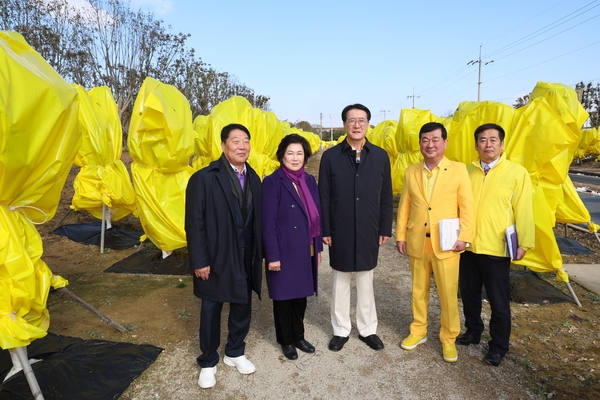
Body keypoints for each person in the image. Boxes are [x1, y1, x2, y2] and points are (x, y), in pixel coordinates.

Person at [185, 123, 262, 389]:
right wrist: (199, 260)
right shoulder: (204, 178)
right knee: (211, 308)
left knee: (242, 305)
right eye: (235, 141)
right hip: (216, 256)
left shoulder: (253, 177)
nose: (242, 146)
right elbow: (194, 223)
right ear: (223, 145)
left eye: (246, 141)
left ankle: (235, 352)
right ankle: (208, 361)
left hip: (245, 254)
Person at [396, 121, 474, 363]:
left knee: (448, 294)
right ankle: (418, 331)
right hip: (418, 240)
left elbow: (467, 206)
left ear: (445, 142)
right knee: (419, 291)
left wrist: (465, 237)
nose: (430, 144)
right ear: (420, 144)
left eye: (435, 140)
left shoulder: (459, 170)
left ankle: (448, 338)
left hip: (448, 243)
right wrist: (400, 235)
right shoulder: (411, 171)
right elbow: (404, 206)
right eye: (425, 140)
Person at [457, 123, 534, 367]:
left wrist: (525, 243)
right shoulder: (466, 171)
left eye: (493, 140)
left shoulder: (516, 172)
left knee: (499, 302)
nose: (487, 144)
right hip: (467, 246)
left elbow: (524, 209)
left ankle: (499, 346)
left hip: (497, 248)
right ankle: (473, 330)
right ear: (475, 145)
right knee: (469, 294)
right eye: (482, 140)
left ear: (502, 144)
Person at [318, 103, 393, 352]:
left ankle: (367, 328)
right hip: (340, 227)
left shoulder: (380, 156)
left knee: (365, 279)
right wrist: (325, 230)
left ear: (368, 124)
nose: (357, 125)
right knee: (340, 279)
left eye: (361, 120)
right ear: (344, 125)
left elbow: (386, 195)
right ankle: (340, 329)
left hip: (369, 227)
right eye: (352, 120)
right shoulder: (331, 157)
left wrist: (384, 227)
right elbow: (324, 196)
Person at [262, 134, 323, 360]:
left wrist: (317, 249)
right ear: (282, 155)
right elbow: (268, 222)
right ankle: (286, 340)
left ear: (305, 156)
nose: (295, 158)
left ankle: (299, 335)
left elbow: (316, 216)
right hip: (283, 249)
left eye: (300, 153)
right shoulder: (272, 182)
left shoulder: (308, 180)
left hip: (305, 248)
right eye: (290, 153)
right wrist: (272, 256)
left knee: (301, 296)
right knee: (284, 298)